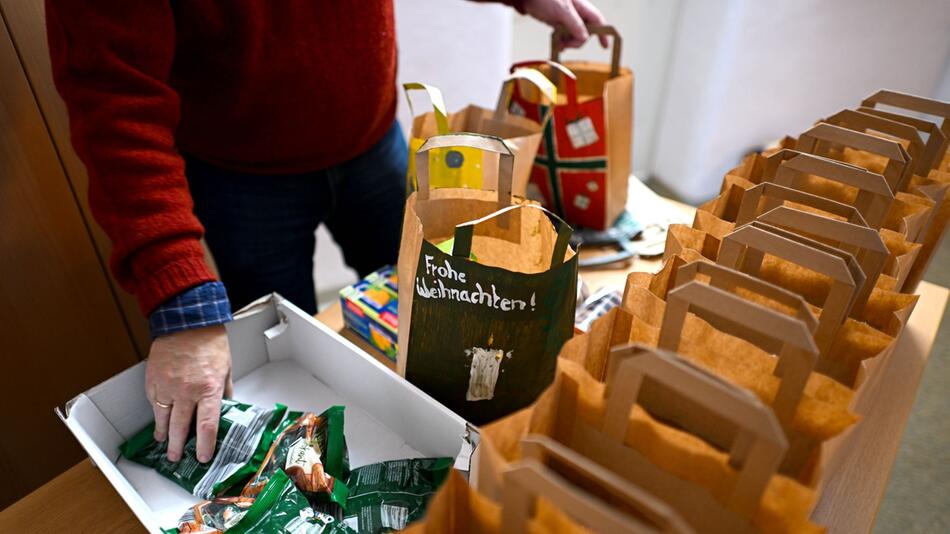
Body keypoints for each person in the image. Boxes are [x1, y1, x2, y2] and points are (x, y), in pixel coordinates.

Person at [47, 0, 608, 465]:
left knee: (434, 326)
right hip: (240, 178)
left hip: (374, 139)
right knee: (292, 384)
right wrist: (178, 298)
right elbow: (112, 97)